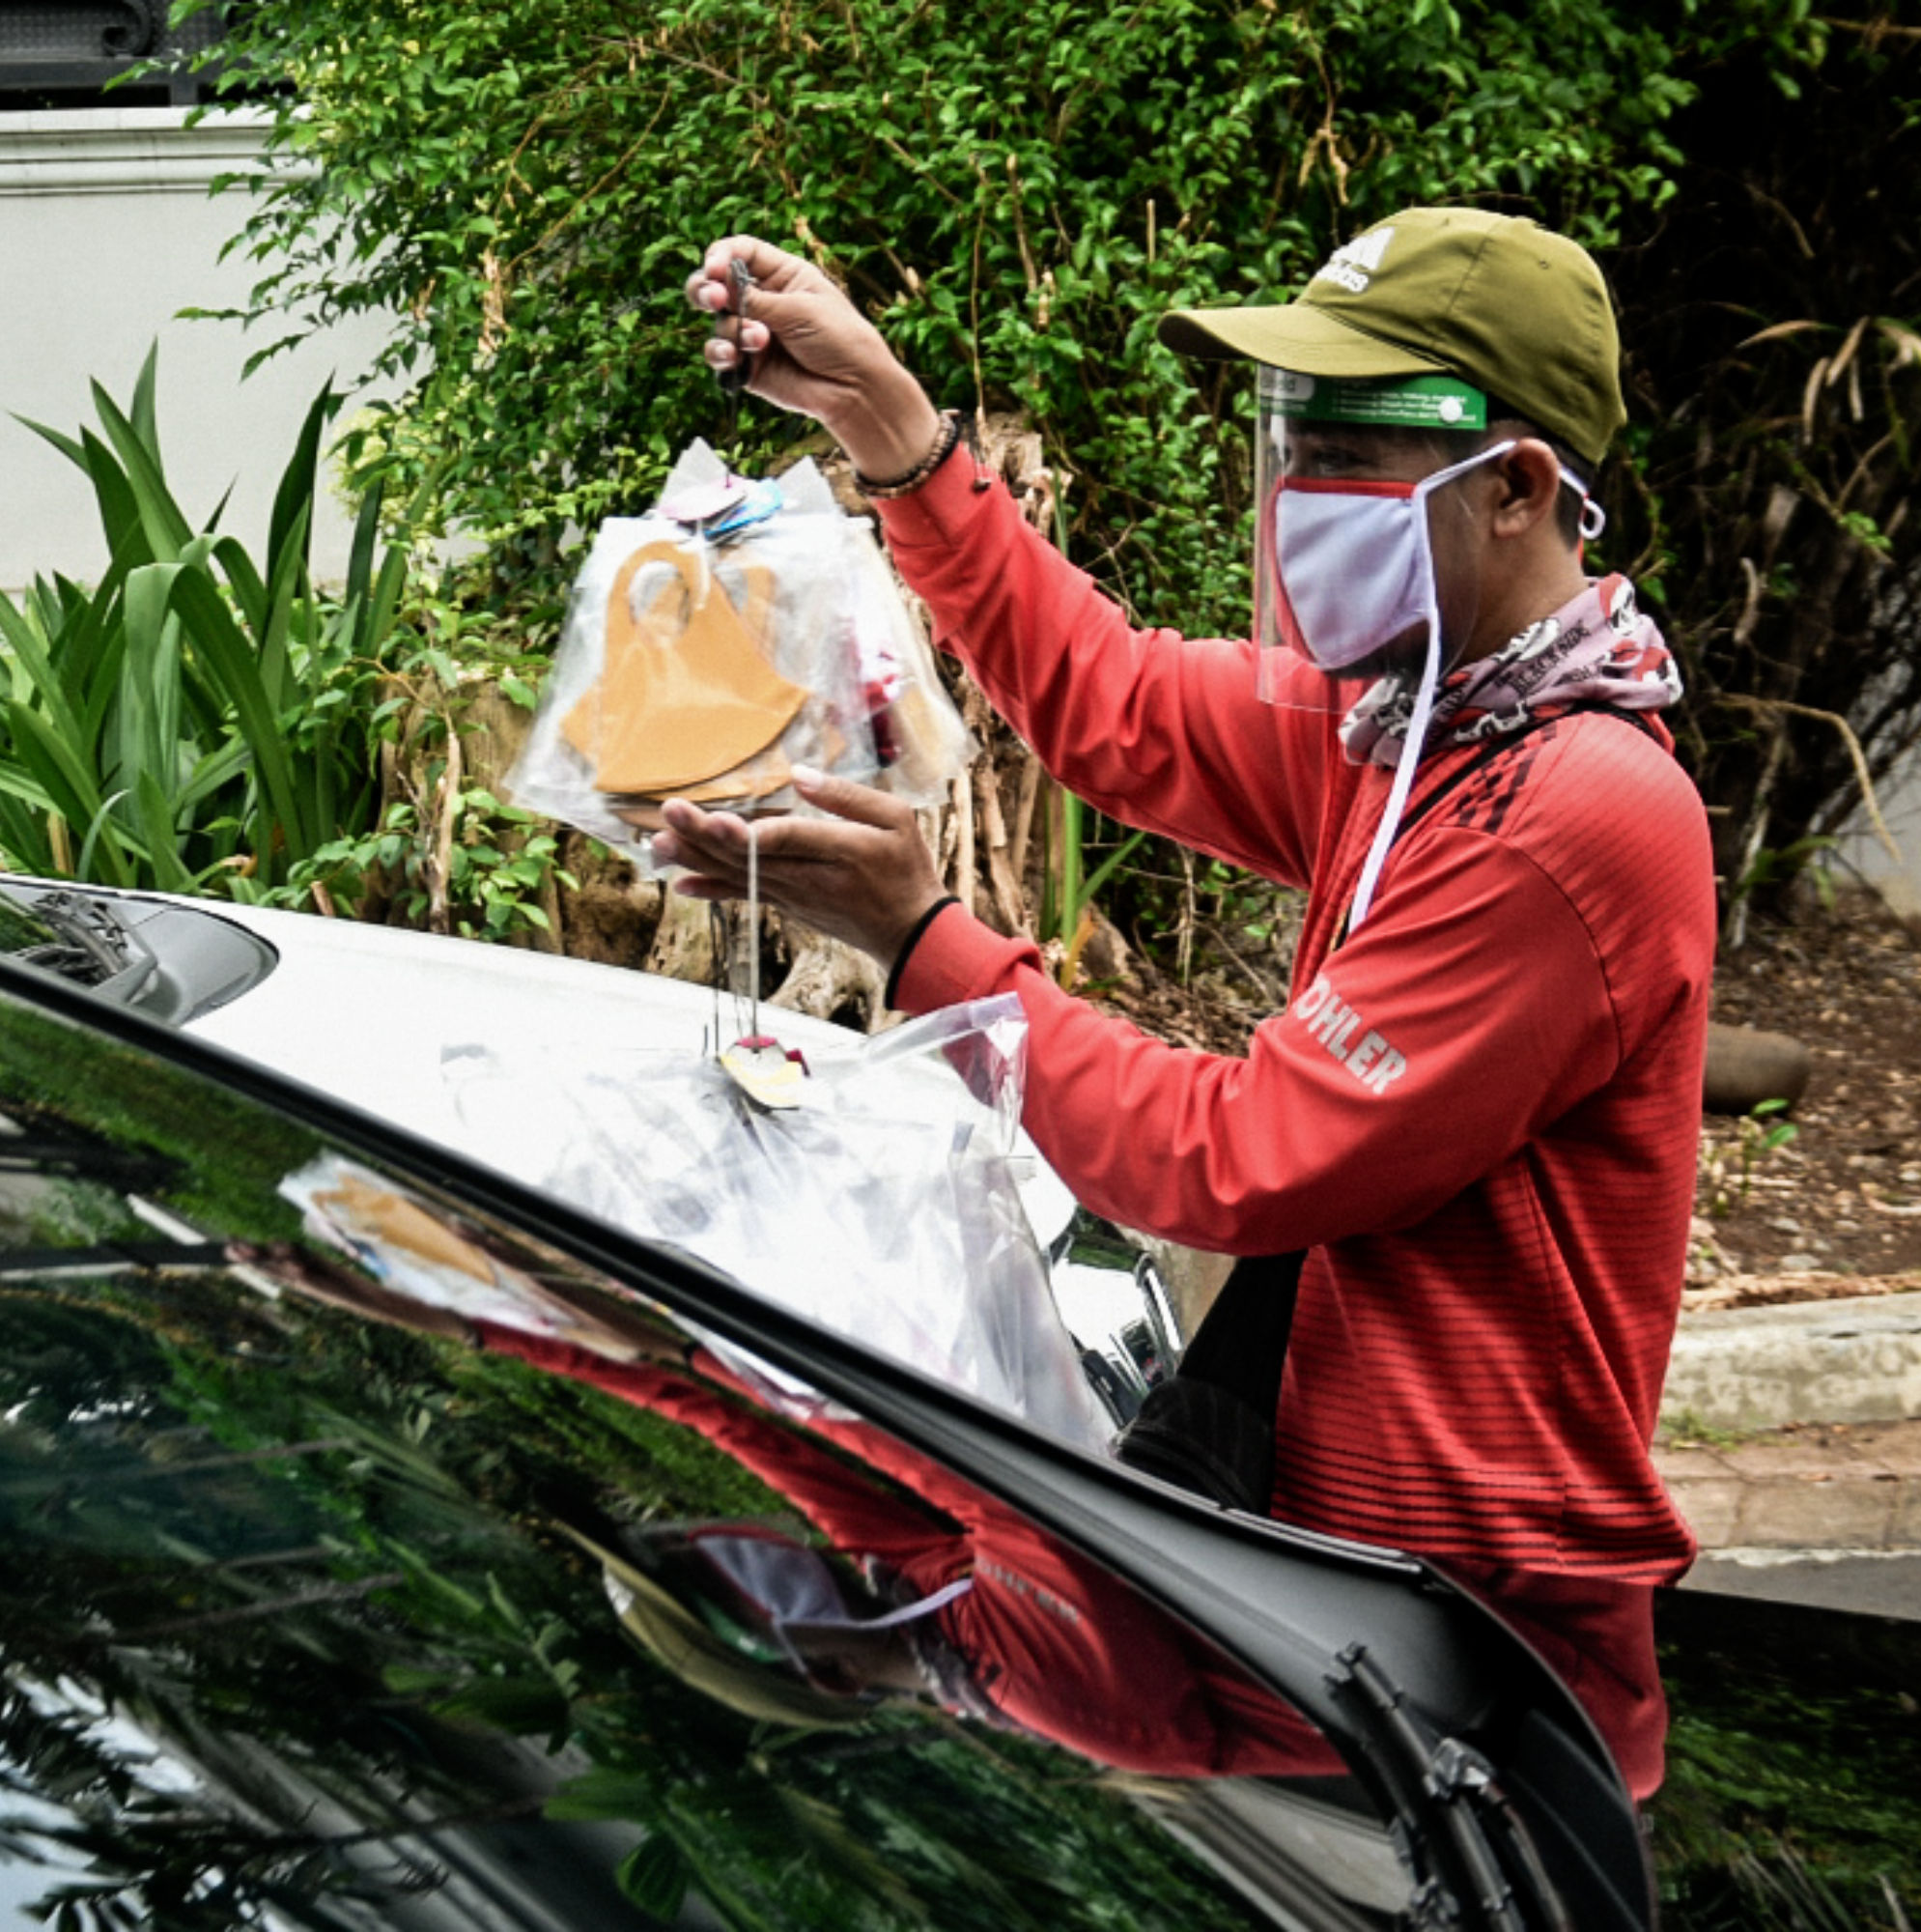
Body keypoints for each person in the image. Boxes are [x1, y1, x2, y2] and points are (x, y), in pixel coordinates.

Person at [653, 209, 1715, 1597]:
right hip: (1326, 1554)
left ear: (1513, 486)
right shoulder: (1416, 726)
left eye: (1342, 458)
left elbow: (1239, 1158)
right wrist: (890, 426)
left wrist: (922, 942)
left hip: (1466, 1611)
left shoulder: (1563, 813)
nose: (1294, 498)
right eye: (1291, 446)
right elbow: (1112, 699)